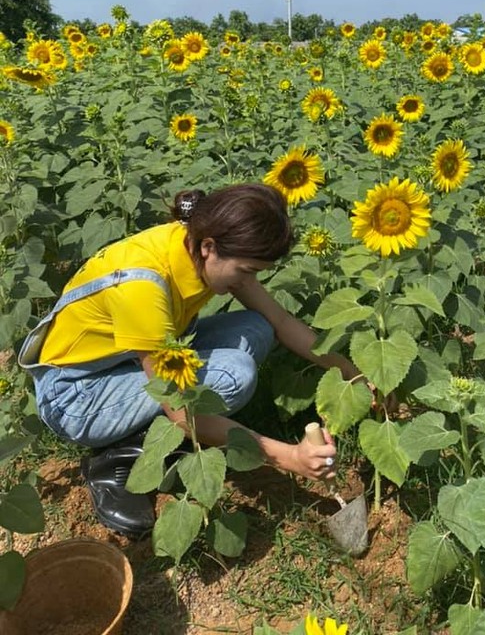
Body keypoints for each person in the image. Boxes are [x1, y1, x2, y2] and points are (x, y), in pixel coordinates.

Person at [20, 183, 360, 536]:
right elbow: (181, 412)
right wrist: (291, 458)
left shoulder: (198, 243)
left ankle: (168, 434)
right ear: (209, 248)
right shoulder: (143, 287)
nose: (249, 281)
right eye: (246, 271)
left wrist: (352, 373)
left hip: (121, 364)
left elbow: (281, 322)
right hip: (76, 396)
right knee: (233, 376)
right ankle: (118, 457)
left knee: (256, 328)